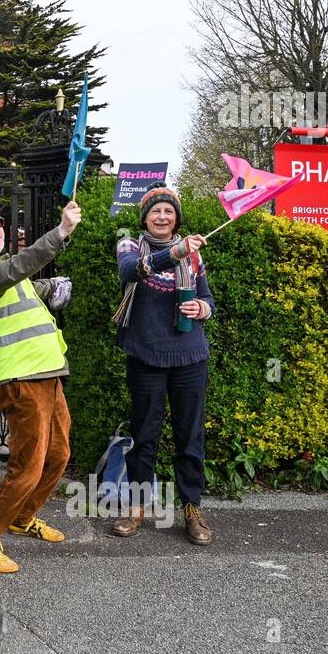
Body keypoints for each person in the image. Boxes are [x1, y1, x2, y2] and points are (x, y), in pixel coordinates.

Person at [0, 199, 82, 574]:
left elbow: (27, 285)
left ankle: (22, 518)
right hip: (20, 380)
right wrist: (60, 233)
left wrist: (54, 287)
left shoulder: (5, 270)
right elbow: (16, 270)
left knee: (59, 455)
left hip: (49, 374)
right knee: (27, 465)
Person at [111, 183, 215, 545]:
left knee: (190, 437)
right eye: (156, 210)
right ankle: (138, 505)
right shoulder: (129, 245)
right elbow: (132, 271)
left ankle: (192, 508)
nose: (162, 216)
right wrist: (175, 251)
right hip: (146, 355)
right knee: (144, 436)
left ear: (176, 218)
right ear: (145, 217)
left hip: (190, 356)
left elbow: (207, 299)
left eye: (168, 211)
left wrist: (202, 308)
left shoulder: (194, 255)